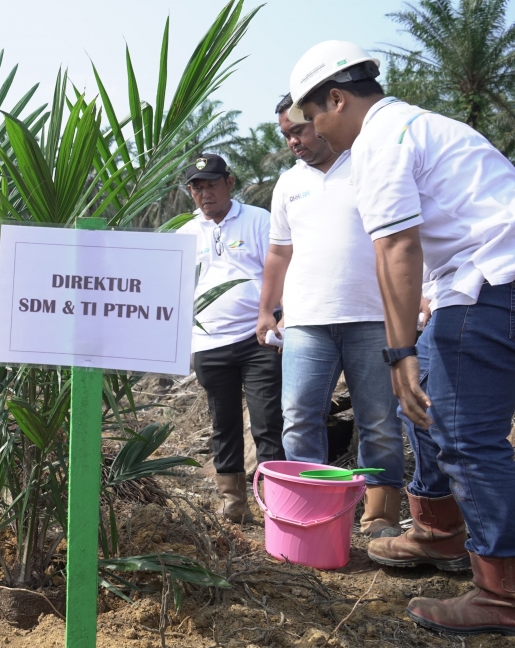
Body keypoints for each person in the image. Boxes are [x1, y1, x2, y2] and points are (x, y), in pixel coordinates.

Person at [288, 39, 515, 635]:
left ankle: (503, 591)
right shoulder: (423, 127)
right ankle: (439, 533)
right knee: (427, 411)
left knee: (465, 436)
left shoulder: (381, 143)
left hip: (489, 285)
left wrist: (400, 352)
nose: (316, 132)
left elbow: (397, 246)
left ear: (337, 99)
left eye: (313, 117)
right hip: (481, 281)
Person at [256, 93, 405, 538]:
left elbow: (401, 237)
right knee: (299, 414)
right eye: (285, 135)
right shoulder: (288, 184)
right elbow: (279, 253)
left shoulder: (368, 165)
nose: (293, 142)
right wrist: (267, 310)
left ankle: (379, 516)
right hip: (305, 322)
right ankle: (311, 515)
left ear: (321, 119)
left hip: (372, 316)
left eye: (298, 130)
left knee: (378, 418)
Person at [177, 153, 285, 522]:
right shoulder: (184, 234)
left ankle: (274, 501)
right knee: (223, 422)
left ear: (230, 182)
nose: (204, 192)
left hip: (257, 338)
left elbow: (280, 270)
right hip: (208, 343)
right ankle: (233, 502)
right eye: (197, 186)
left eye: (211, 183)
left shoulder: (259, 219)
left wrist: (278, 316)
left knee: (268, 419)